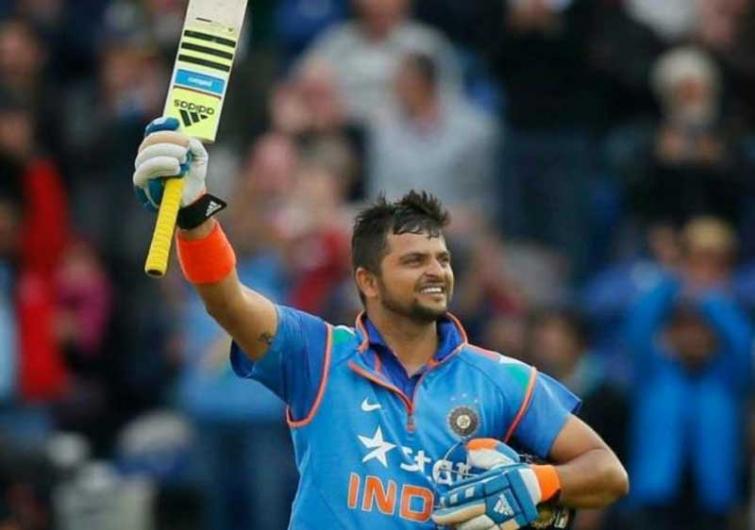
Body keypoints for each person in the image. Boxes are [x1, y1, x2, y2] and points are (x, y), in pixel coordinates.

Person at [132, 117, 628, 528]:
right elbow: (227, 301)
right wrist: (193, 212)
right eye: (414, 261)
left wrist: (536, 482)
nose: (436, 271)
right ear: (367, 281)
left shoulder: (501, 378)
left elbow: (607, 472)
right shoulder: (319, 355)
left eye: (442, 259)